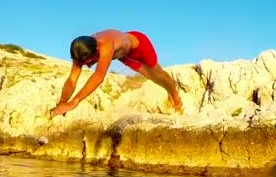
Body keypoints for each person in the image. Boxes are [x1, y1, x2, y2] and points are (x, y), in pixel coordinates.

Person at [50, 29, 183, 118]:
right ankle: (170, 91)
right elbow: (72, 79)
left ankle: (175, 95)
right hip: (124, 56)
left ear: (97, 50)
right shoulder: (80, 52)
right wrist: (62, 103)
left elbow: (98, 76)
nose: (89, 65)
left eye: (91, 61)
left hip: (139, 45)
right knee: (149, 77)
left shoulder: (106, 45)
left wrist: (74, 101)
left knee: (157, 74)